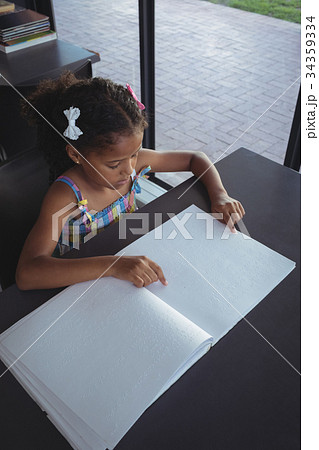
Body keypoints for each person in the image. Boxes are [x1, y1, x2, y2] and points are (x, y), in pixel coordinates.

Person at [16, 72, 245, 291]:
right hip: (85, 283)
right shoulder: (65, 197)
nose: (129, 170)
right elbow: (27, 273)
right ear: (76, 155)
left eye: (134, 154)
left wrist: (219, 195)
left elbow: (196, 158)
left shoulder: (129, 163)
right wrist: (114, 266)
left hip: (128, 257)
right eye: (114, 165)